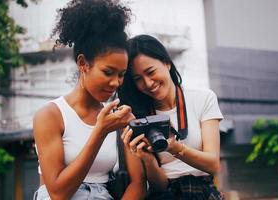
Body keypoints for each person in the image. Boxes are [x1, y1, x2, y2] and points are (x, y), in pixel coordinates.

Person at [33, 1, 146, 199]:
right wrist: (100, 132)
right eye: (108, 72)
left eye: (121, 74)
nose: (115, 82)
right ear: (83, 63)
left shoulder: (118, 118)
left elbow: (138, 184)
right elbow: (58, 192)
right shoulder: (51, 115)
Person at [119, 35, 224, 200]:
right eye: (138, 79)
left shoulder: (203, 98)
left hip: (203, 191)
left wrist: (176, 149)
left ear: (167, 63)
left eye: (151, 72)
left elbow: (214, 164)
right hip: (165, 195)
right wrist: (148, 159)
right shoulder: (139, 117)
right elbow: (158, 186)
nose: (148, 83)